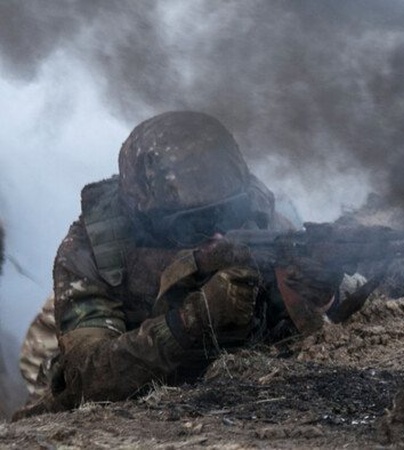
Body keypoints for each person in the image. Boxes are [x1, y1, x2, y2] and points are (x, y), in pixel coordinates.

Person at [14, 111, 364, 419]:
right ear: (147, 218)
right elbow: (89, 379)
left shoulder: (258, 215)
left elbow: (317, 324)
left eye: (229, 212)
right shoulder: (91, 254)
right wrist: (190, 321)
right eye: (195, 223)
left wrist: (321, 297)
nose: (219, 230)